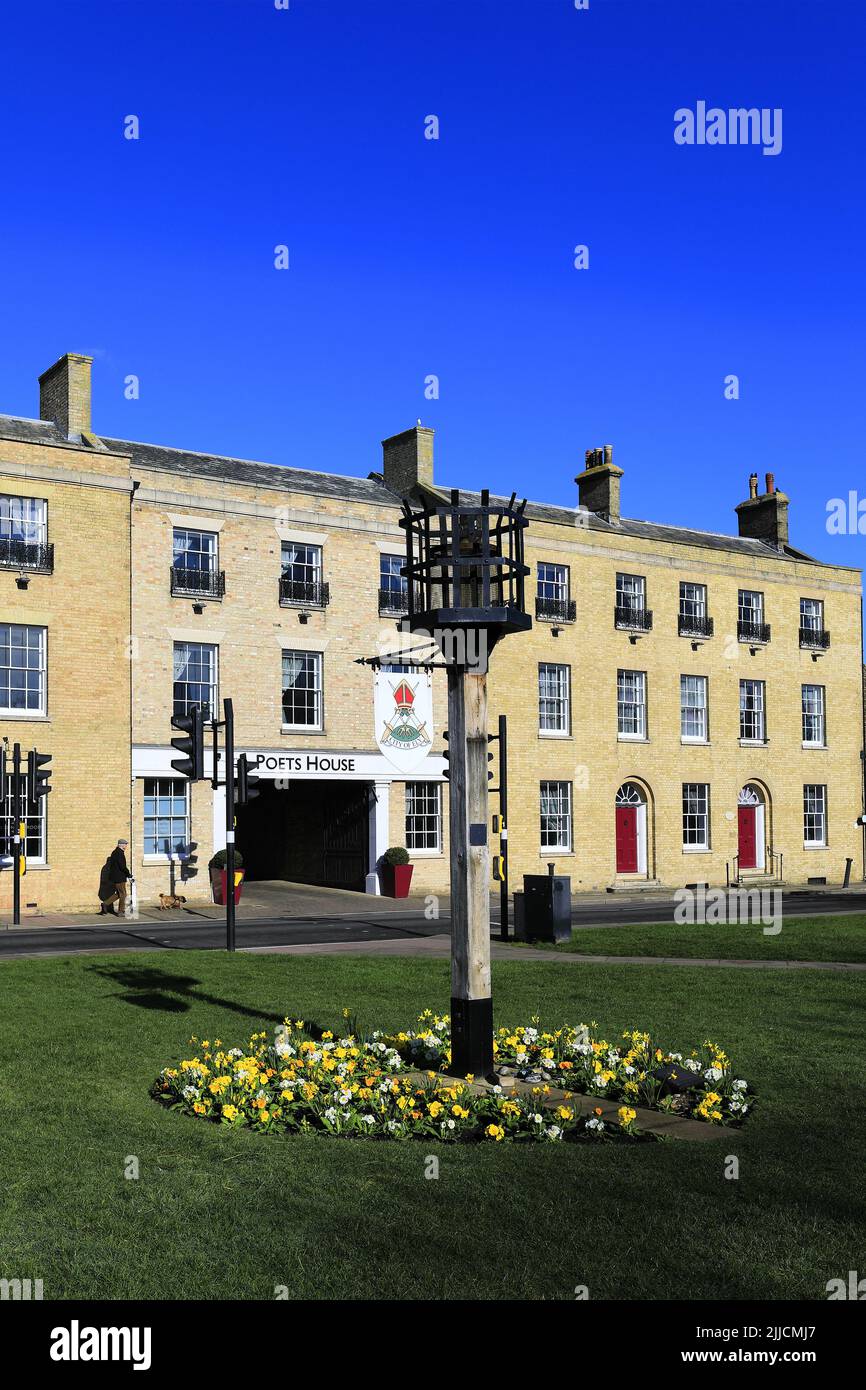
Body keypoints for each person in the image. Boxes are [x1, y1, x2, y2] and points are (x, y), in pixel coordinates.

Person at [99, 839, 130, 916]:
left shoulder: (114, 852)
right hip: (120, 878)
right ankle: (121, 911)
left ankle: (105, 904)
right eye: (125, 844)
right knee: (123, 894)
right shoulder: (120, 853)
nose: (126, 846)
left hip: (116, 877)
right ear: (121, 845)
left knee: (119, 894)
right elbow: (122, 866)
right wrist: (128, 874)